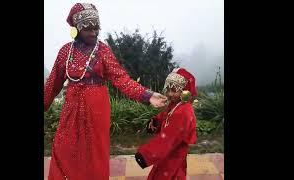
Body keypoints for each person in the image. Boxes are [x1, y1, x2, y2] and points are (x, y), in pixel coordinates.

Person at [44, 3, 167, 180]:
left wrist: (147, 95)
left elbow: (121, 78)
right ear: (77, 29)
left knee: (94, 153)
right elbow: (53, 84)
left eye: (96, 28)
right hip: (71, 108)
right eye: (88, 29)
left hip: (97, 109)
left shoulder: (102, 51)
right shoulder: (66, 52)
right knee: (63, 147)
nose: (93, 32)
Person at [135, 68, 198, 180]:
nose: (170, 94)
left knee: (167, 175)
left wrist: (146, 154)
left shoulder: (184, 112)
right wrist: (155, 122)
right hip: (168, 154)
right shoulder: (177, 105)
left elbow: (170, 138)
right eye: (168, 89)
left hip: (173, 156)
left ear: (184, 90)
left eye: (174, 90)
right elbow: (165, 115)